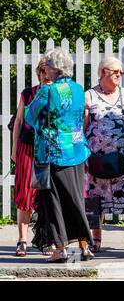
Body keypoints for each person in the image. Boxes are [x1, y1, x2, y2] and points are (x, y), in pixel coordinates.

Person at [25, 47, 93, 263]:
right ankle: (84, 246)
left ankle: (61, 249)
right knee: (75, 199)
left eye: (46, 65)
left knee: (54, 201)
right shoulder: (78, 89)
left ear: (53, 68)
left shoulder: (47, 90)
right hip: (76, 150)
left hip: (53, 153)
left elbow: (29, 117)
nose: (44, 69)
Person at [84, 57, 124, 253]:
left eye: (121, 72)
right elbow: (82, 128)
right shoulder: (89, 96)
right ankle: (96, 239)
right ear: (103, 72)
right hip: (97, 160)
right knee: (95, 199)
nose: (119, 75)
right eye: (115, 71)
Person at [12, 58, 55, 257]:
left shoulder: (57, 93)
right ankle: (22, 240)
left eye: (50, 71)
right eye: (44, 71)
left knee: (47, 195)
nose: (47, 76)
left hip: (50, 151)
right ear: (39, 72)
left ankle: (48, 240)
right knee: (24, 193)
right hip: (27, 148)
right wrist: (14, 148)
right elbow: (19, 122)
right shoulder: (28, 94)